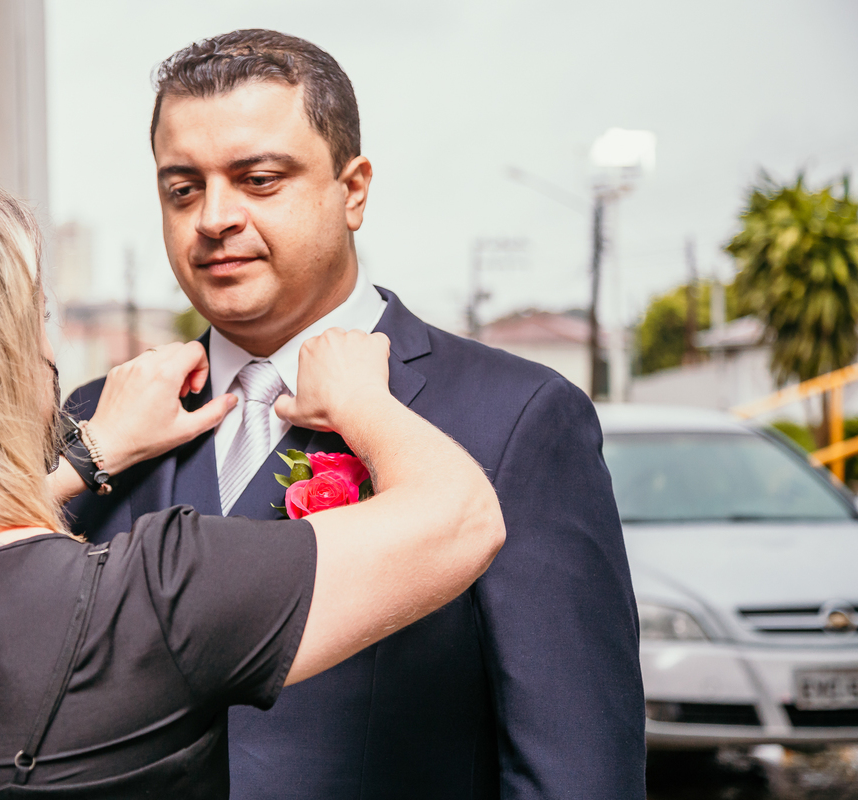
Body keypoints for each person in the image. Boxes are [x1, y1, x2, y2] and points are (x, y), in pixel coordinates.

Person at [0, 172, 504, 798]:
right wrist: (366, 404)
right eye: (37, 319)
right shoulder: (149, 602)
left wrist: (89, 454)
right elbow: (462, 517)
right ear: (1, 365)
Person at [64, 29, 646, 800]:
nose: (214, 217)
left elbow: (577, 766)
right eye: (183, 189)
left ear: (354, 190)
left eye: (259, 180)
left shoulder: (517, 419)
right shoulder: (96, 423)